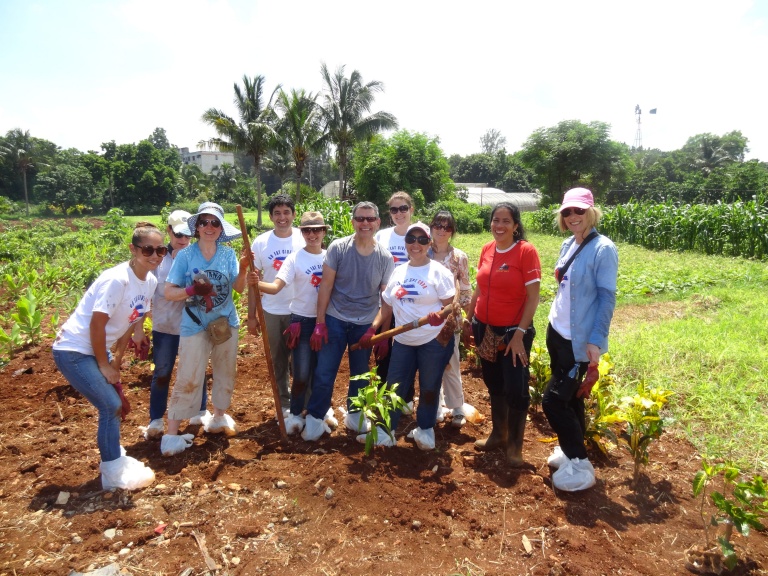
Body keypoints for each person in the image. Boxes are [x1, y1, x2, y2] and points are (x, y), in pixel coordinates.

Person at [52, 222, 162, 490]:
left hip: (95, 350)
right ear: (133, 250)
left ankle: (114, 460)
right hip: (74, 350)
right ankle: (111, 471)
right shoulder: (118, 279)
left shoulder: (150, 281)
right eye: (148, 249)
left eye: (161, 250)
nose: (155, 255)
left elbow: (130, 322)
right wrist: (103, 364)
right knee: (110, 405)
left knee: (111, 404)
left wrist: (117, 361)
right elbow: (96, 325)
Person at [542, 187, 618, 491]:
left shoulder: (603, 249)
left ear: (591, 211)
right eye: (567, 212)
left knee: (553, 401)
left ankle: (580, 462)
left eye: (579, 211)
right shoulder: (568, 244)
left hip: (580, 340)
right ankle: (569, 450)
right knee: (571, 398)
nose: (573, 216)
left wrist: (596, 340)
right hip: (558, 333)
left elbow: (606, 298)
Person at [160, 202, 249, 456]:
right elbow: (168, 292)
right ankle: (171, 433)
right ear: (196, 227)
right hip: (195, 324)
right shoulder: (186, 256)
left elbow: (239, 289)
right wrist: (191, 290)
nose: (209, 227)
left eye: (214, 223)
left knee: (225, 371)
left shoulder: (227, 254)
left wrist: (242, 269)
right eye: (204, 222)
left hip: (225, 324)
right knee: (188, 375)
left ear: (221, 228)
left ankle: (218, 417)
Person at [302, 201, 394, 441]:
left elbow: (386, 300)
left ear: (377, 222)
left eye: (369, 219)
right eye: (360, 219)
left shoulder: (385, 257)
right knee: (325, 371)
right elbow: (326, 286)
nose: (365, 223)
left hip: (364, 323)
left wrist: (377, 330)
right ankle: (315, 417)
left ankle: (355, 415)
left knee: (360, 374)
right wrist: (320, 323)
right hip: (335, 318)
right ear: (353, 222)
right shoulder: (339, 248)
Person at [362, 222, 456, 450]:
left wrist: (440, 316)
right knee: (394, 386)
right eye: (411, 239)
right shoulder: (399, 271)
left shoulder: (439, 272)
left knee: (429, 386)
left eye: (422, 240)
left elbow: (450, 306)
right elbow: (387, 305)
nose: (416, 244)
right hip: (403, 341)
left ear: (429, 243)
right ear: (405, 244)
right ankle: (387, 431)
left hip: (432, 340)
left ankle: (424, 429)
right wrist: (373, 329)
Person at [464, 202, 541, 466]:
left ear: (516, 225)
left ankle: (515, 448)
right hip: (485, 329)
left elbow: (533, 298)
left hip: (512, 333)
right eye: (496, 220)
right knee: (494, 383)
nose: (499, 225)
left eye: (506, 221)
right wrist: (469, 318)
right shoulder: (487, 249)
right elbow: (479, 288)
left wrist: (520, 332)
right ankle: (498, 434)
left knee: (516, 387)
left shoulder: (525, 252)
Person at [250, 211, 335, 435]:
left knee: (322, 373)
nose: (312, 234)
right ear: (302, 232)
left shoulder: (331, 257)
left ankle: (319, 411)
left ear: (324, 231)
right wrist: (256, 283)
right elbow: (277, 286)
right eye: (307, 230)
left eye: (317, 229)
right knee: (301, 373)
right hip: (302, 322)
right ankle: (296, 413)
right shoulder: (295, 258)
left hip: (325, 322)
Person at [142, 210, 208, 440]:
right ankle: (156, 418)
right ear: (168, 231)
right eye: (178, 233)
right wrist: (139, 329)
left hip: (193, 325)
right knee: (162, 372)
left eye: (188, 234)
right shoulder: (157, 260)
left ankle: (200, 411)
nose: (183, 239)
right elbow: (144, 295)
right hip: (165, 327)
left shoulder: (198, 256)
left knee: (196, 369)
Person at [249, 194, 305, 417]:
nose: (282, 217)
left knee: (301, 360)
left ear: (293, 214)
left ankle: (304, 402)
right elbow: (253, 281)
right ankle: (284, 403)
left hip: (300, 311)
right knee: (278, 360)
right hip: (272, 310)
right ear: (271, 217)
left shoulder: (304, 238)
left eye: (287, 212)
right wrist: (252, 315)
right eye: (277, 213)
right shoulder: (261, 242)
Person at [427, 210, 474, 428]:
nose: (441, 230)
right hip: (425, 322)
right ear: (431, 226)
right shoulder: (422, 253)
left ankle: (456, 408)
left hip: (449, 323)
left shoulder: (459, 258)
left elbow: (466, 290)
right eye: (438, 225)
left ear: (452, 231)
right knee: (428, 366)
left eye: (447, 227)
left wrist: (457, 307)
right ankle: (435, 407)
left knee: (451, 364)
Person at [373, 191, 415, 386]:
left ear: (411, 210)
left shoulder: (419, 234)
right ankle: (383, 392)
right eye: (394, 210)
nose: (399, 213)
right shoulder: (382, 236)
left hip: (409, 303)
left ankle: (404, 394)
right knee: (382, 347)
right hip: (384, 302)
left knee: (406, 349)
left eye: (403, 208)